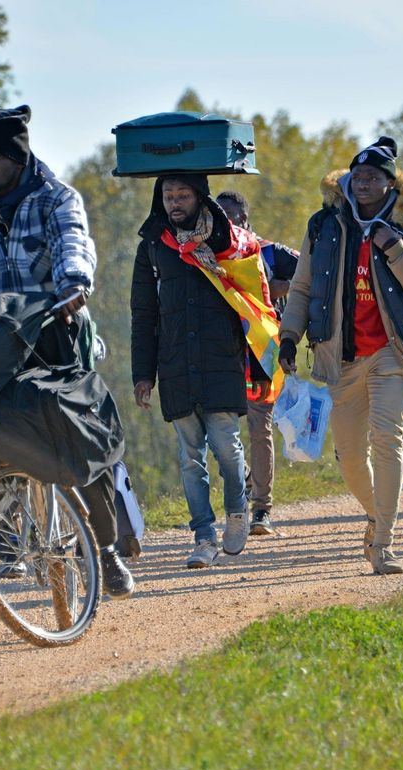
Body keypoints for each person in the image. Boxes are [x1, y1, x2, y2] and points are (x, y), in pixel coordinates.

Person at [0, 105, 133, 597]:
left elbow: (73, 244)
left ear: (17, 160)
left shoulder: (56, 197)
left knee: (83, 440)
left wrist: (73, 286)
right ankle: (8, 536)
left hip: (57, 325)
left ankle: (105, 550)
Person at [279, 137, 403, 574]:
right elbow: (302, 286)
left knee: (387, 441)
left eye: (374, 177)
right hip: (340, 357)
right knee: (350, 456)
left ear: (391, 184)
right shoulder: (324, 225)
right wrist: (289, 334)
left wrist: (394, 247)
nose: (364, 183)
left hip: (393, 354)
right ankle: (376, 514)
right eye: (358, 176)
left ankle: (384, 546)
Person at [132, 175, 265, 568]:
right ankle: (204, 535)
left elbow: (251, 304)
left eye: (183, 194)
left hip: (220, 361)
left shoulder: (227, 241)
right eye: (168, 195)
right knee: (191, 458)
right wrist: (144, 374)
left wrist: (257, 364)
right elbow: (144, 315)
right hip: (175, 366)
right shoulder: (154, 247)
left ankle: (238, 511)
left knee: (227, 448)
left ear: (199, 196)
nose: (174, 202)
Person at [215, 190, 300, 538]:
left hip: (261, 354)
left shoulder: (268, 251)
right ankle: (249, 479)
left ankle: (261, 508)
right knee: (216, 431)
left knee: (258, 427)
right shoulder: (202, 256)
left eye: (232, 217)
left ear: (245, 221)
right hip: (219, 354)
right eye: (219, 218)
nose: (226, 223)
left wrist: (277, 289)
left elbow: (310, 278)